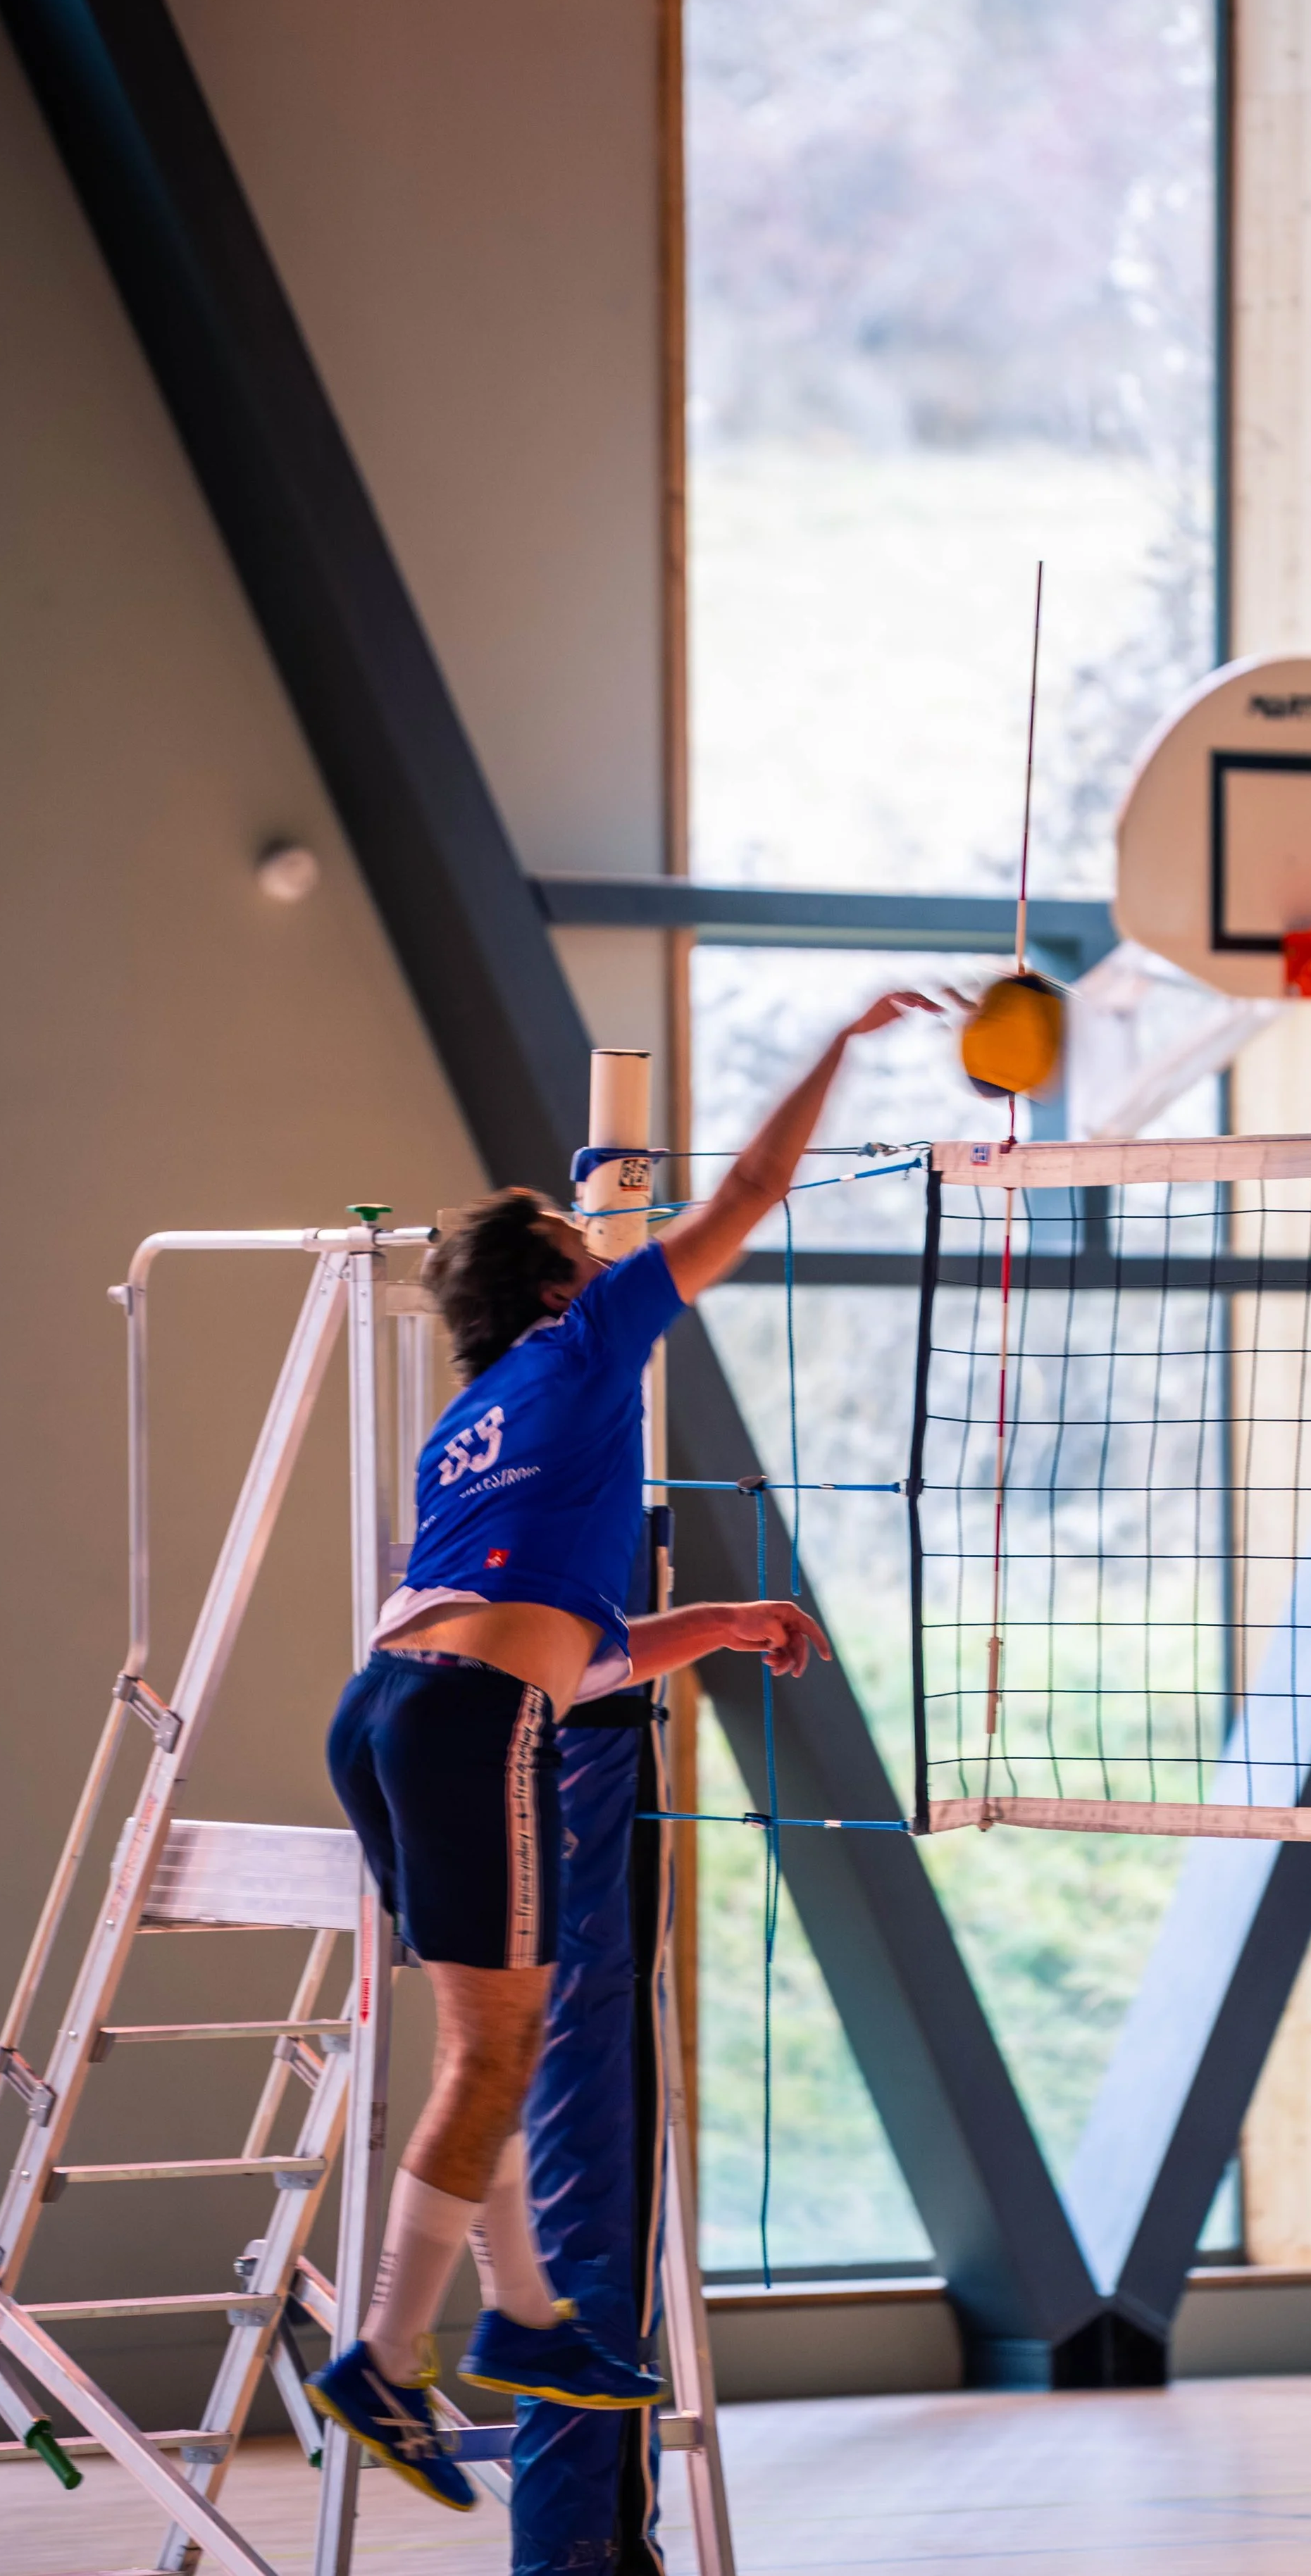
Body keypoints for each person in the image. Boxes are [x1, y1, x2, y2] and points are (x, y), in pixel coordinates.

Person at [307, 990, 932, 2509]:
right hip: (464, 1727)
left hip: (385, 1710)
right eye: (583, 1239)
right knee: (493, 2050)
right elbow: (749, 1197)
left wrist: (713, 1620)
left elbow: (567, 1643)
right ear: (561, 1273)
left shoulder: (472, 1418)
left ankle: (527, 2318)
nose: (605, 1246)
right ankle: (382, 2356)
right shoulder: (588, 1344)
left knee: (489, 2042)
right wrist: (840, 1045)